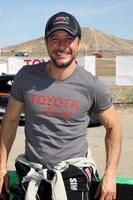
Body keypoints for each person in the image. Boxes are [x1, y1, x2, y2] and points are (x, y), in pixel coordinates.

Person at [0, 11, 121, 200]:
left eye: (69, 38)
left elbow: (114, 127)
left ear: (78, 43)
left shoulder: (92, 85)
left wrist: (110, 175)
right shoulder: (26, 77)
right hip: (33, 174)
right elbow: (10, 121)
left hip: (73, 173)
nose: (62, 46)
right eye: (55, 38)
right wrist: (0, 168)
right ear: (46, 42)